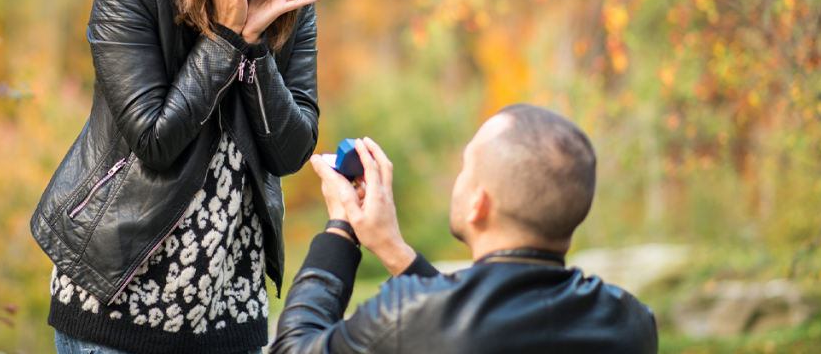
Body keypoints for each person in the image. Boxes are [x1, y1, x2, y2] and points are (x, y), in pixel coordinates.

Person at [29, 0, 327, 353]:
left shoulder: (290, 9)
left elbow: (291, 151)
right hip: (115, 305)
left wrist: (256, 48)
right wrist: (230, 37)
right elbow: (156, 141)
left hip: (229, 313)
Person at [272, 104, 659, 354]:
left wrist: (341, 227)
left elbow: (293, 349)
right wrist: (394, 251)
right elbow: (472, 316)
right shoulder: (632, 322)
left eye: (466, 168)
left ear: (479, 203)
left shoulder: (404, 317)